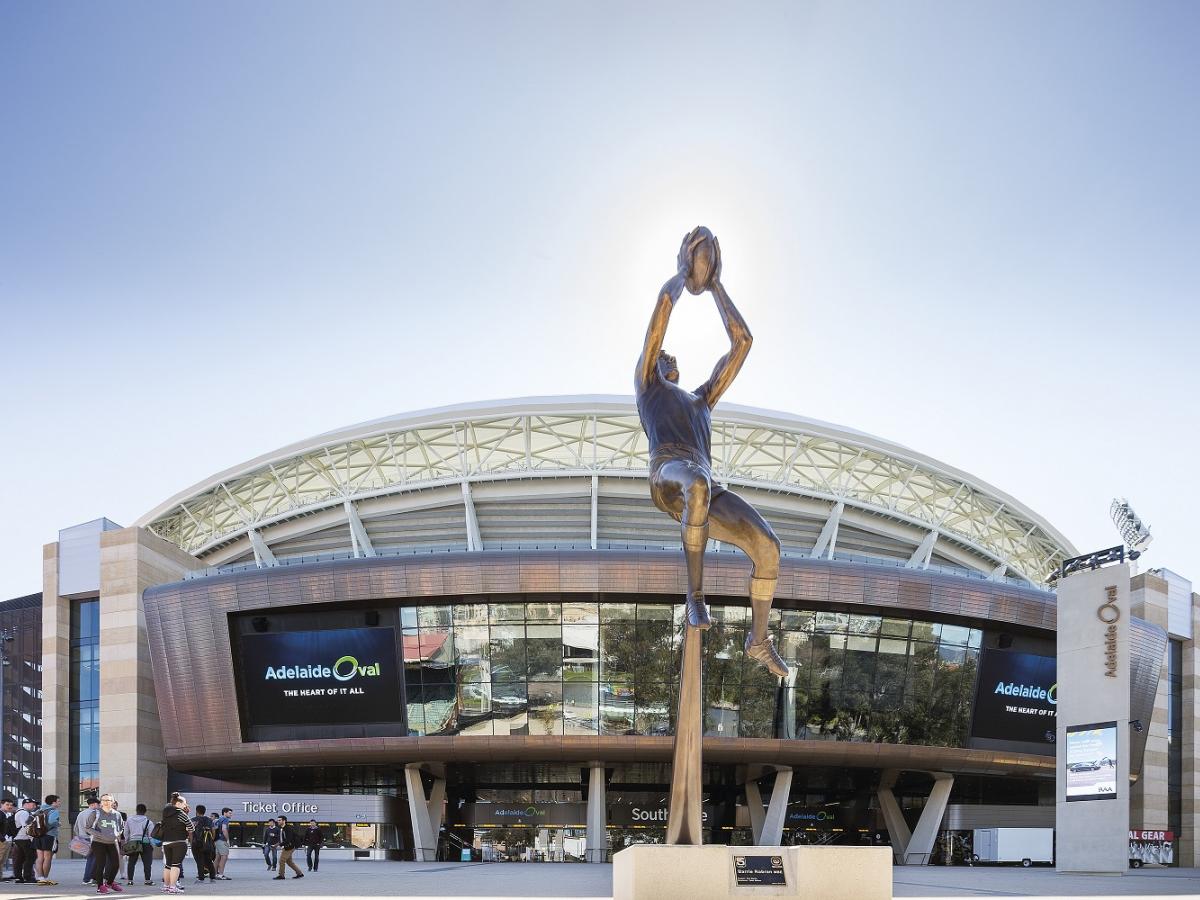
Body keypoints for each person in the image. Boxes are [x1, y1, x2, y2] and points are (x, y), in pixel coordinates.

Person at [634, 227, 787, 677]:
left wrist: (715, 283)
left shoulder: (701, 401)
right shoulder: (649, 388)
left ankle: (759, 640)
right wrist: (684, 275)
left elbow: (743, 343)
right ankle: (695, 596)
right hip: (669, 474)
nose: (668, 359)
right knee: (696, 485)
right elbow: (662, 308)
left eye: (671, 357)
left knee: (770, 548)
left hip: (704, 485)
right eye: (662, 356)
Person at [84, 792, 125, 894]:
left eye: (109, 800)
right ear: (101, 802)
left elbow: (121, 827)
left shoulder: (117, 814)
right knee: (100, 864)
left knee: (116, 864)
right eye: (104, 800)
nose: (106, 802)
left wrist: (117, 834)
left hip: (112, 842)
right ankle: (100, 886)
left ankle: (110, 883)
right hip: (98, 842)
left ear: (113, 802)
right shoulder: (95, 813)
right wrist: (99, 834)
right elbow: (87, 827)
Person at [159, 793, 194, 895]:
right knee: (176, 865)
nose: (185, 805)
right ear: (178, 803)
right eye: (184, 803)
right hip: (179, 842)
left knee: (168, 865)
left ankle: (166, 886)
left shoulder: (165, 813)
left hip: (166, 842)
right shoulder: (181, 814)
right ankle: (173, 887)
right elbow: (191, 827)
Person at [123, 803, 155, 886]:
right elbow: (151, 835)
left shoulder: (129, 820)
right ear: (145, 811)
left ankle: (130, 880)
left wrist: (127, 842)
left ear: (136, 810)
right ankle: (147, 880)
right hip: (145, 843)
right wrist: (152, 845)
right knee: (147, 863)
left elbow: (126, 832)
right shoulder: (149, 822)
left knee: (131, 862)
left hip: (133, 843)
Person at [33, 793, 61, 886]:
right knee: (48, 857)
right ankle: (45, 878)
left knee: (39, 857)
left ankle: (40, 878)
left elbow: (28, 821)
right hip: (49, 836)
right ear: (53, 803)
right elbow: (52, 821)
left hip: (38, 835)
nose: (59, 803)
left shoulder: (39, 810)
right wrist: (58, 823)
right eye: (58, 801)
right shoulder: (54, 811)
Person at [75, 796, 100, 884]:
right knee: (94, 859)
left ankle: (86, 879)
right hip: (92, 838)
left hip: (83, 838)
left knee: (90, 859)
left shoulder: (81, 813)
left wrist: (80, 836)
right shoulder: (95, 814)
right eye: (98, 804)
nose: (99, 805)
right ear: (93, 804)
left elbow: (76, 828)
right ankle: (90, 878)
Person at [11, 798, 37, 884]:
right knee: (30, 858)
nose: (34, 806)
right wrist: (32, 838)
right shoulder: (24, 813)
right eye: (33, 804)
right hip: (25, 839)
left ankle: (19, 877)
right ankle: (28, 877)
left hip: (19, 838)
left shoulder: (20, 812)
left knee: (20, 859)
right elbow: (26, 826)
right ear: (26, 804)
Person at [189, 804, 217, 883]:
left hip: (196, 843)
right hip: (207, 843)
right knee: (208, 860)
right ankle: (212, 877)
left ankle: (201, 878)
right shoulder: (209, 820)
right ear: (204, 811)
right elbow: (213, 831)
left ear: (196, 811)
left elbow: (190, 833)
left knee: (199, 860)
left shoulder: (193, 820)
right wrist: (211, 840)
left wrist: (191, 842)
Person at [272, 816, 303, 880]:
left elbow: (288, 840)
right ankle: (299, 873)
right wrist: (276, 844)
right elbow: (282, 839)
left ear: (284, 821)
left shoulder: (288, 829)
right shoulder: (281, 828)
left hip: (290, 846)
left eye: (279, 820)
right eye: (278, 820)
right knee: (289, 862)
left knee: (281, 860)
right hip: (287, 846)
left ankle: (281, 875)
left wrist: (279, 845)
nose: (278, 821)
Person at [212, 808, 232, 880]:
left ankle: (214, 874)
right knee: (224, 857)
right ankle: (221, 875)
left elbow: (214, 829)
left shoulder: (217, 819)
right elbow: (224, 829)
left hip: (216, 840)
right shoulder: (225, 819)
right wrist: (227, 840)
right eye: (229, 813)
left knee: (217, 858)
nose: (231, 814)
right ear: (225, 813)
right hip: (222, 840)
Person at [0, 798, 17, 881]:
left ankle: (0, 876)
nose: (9, 806)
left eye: (11, 805)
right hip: (2, 841)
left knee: (3, 860)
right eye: (7, 804)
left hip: (7, 840)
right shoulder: (1, 814)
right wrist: (2, 839)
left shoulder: (7, 814)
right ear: (1, 804)